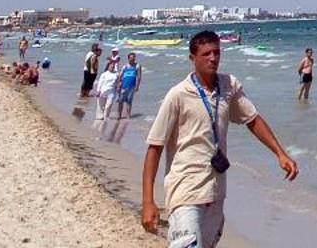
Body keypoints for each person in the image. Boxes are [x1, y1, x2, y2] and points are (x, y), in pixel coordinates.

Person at [142, 30, 297, 248]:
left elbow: (252, 119)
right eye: (206, 54)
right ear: (192, 59)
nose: (213, 58)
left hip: (215, 192)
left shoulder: (228, 86)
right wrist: (148, 202)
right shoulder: (178, 95)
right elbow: (155, 148)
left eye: (216, 52)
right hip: (185, 192)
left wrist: (280, 154)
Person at [118, 53, 143, 118]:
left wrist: (137, 86)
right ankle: (119, 115)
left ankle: (128, 115)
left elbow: (139, 76)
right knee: (121, 101)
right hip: (123, 86)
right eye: (131, 58)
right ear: (128, 58)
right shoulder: (125, 66)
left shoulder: (137, 66)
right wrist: (118, 85)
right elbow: (120, 76)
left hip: (131, 86)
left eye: (134, 58)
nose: (133, 59)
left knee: (129, 101)